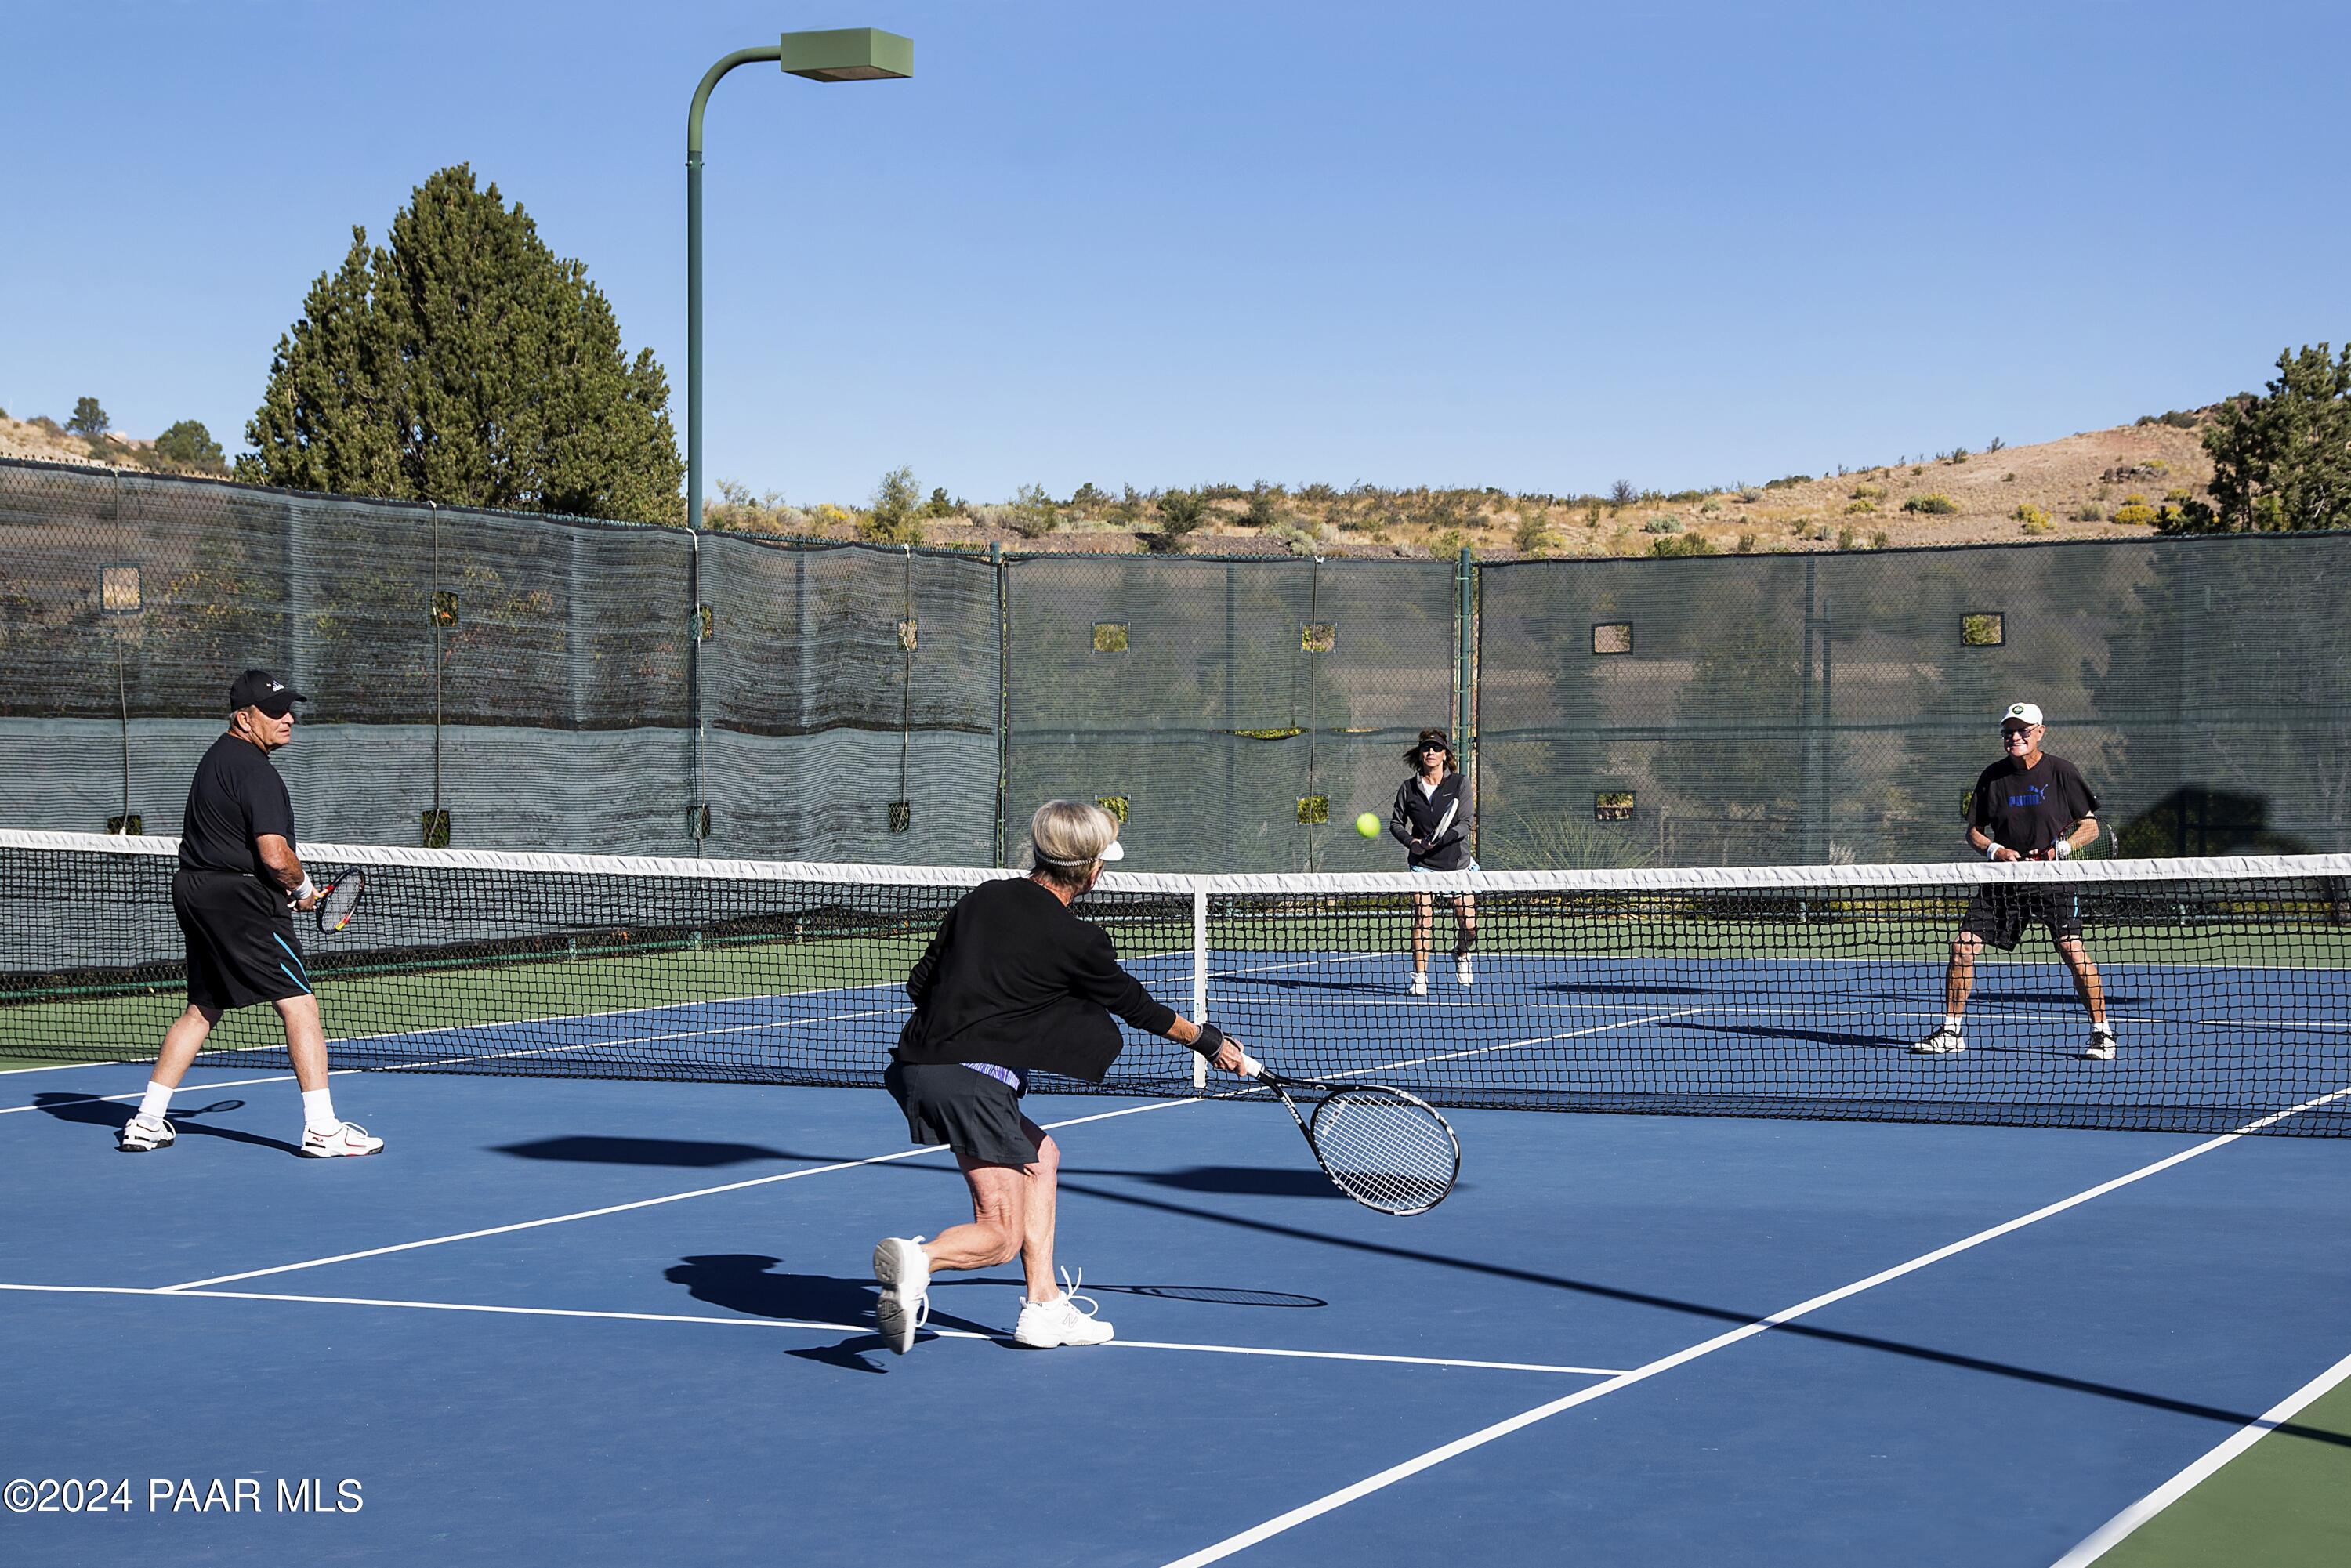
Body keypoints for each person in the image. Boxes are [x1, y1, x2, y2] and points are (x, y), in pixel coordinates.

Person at [871, 800, 1247, 1354]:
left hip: (923, 1067)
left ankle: (1043, 1307)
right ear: (1093, 870)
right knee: (998, 1234)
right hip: (970, 1081)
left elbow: (920, 982)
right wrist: (1211, 1043)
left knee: (1042, 1155)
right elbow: (1137, 1006)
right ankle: (919, 1259)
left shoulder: (982, 899)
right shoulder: (1078, 941)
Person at [115, 669, 383, 1157]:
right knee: (298, 1003)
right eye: (275, 712)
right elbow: (274, 855)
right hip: (240, 899)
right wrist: (301, 887)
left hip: (195, 890)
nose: (289, 720)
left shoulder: (214, 761)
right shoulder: (258, 771)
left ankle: (147, 1121)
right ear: (244, 717)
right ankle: (322, 1129)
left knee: (203, 1008)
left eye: (289, 710)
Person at [1913, 701, 2115, 1061]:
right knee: (1962, 947)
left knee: (2072, 951)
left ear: (2040, 732)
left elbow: (2090, 826)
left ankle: (2102, 1033)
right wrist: (1995, 851)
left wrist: (2062, 848)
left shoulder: (2062, 772)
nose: (2015, 737)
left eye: (2023, 730)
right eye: (2009, 731)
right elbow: (1973, 832)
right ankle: (1951, 1031)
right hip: (2005, 881)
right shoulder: (1992, 777)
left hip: (2053, 881)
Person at [1388, 728, 1476, 997]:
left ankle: (1461, 953)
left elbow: (1466, 823)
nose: (1430, 752)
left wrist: (1442, 838)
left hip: (1457, 864)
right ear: (1420, 753)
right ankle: (1420, 977)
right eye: (1426, 748)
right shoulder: (1409, 788)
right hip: (1422, 865)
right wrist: (1412, 842)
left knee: (1470, 927)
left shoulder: (1459, 783)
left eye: (1436, 748)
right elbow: (1395, 823)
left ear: (1445, 754)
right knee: (1423, 918)